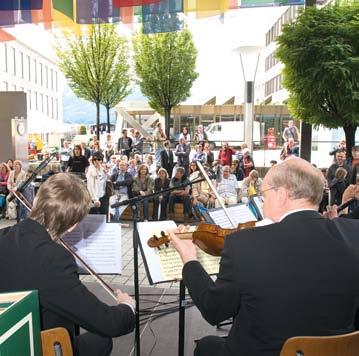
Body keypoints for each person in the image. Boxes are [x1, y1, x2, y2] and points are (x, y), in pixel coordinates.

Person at [168, 157, 359, 356]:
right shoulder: (354, 235)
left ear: (282, 195)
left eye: (264, 195)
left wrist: (190, 260)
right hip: (338, 351)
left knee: (207, 346)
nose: (262, 201)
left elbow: (214, 310)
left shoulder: (244, 244)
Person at [0, 173, 135, 356]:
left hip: (8, 342)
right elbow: (108, 323)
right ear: (72, 225)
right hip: (40, 347)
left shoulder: (4, 235)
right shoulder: (54, 260)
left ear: (37, 199)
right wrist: (127, 307)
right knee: (101, 340)